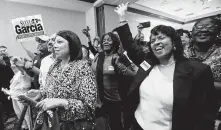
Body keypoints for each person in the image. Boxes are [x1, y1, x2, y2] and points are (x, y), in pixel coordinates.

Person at [114, 3, 218, 130]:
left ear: (174, 42)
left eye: (161, 38)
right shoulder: (149, 63)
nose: (156, 42)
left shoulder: (196, 70)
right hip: (138, 125)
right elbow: (131, 47)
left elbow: (205, 114)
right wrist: (122, 18)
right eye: (152, 40)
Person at [27, 30, 97, 129]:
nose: (54, 45)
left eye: (59, 42)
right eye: (54, 42)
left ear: (72, 44)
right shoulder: (54, 66)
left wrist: (61, 102)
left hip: (74, 125)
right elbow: (51, 91)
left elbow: (88, 108)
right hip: (54, 122)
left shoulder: (82, 67)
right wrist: (40, 93)